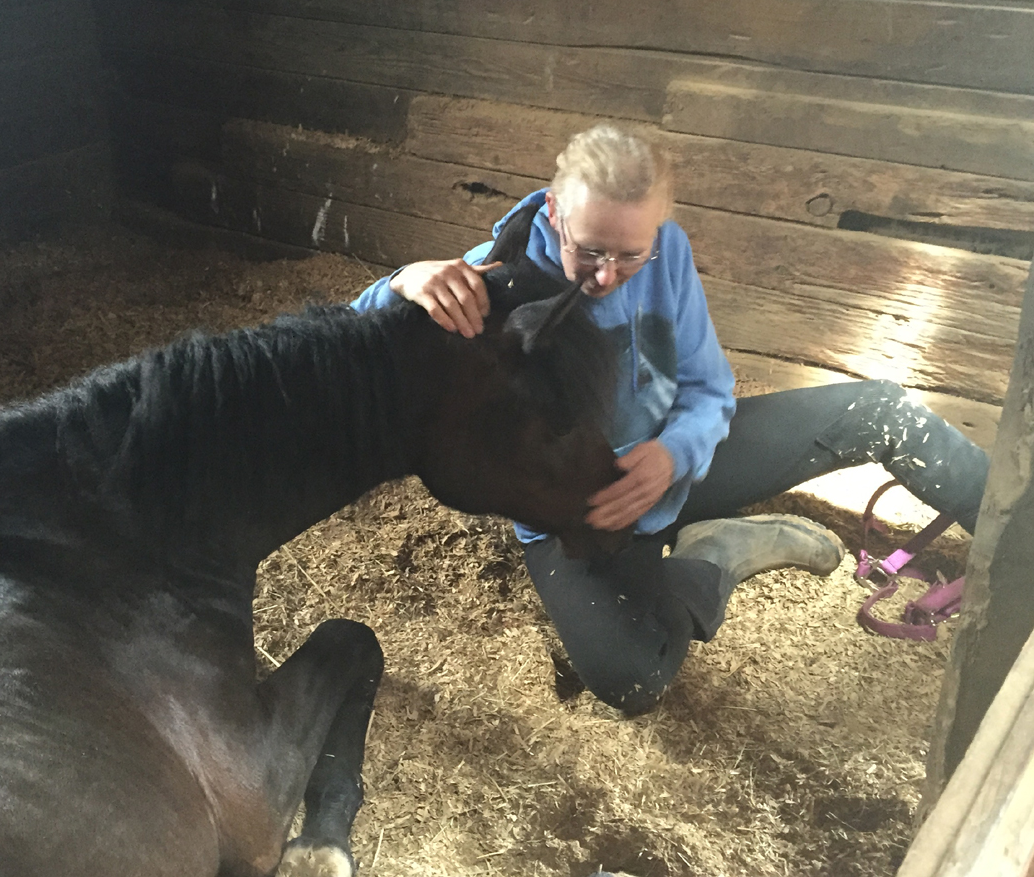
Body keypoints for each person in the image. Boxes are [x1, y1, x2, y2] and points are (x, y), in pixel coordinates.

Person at [352, 124, 991, 716]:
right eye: (590, 251)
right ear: (553, 212)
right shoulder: (498, 276)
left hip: (675, 465)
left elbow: (710, 388)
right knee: (630, 676)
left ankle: (1017, 545)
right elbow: (348, 340)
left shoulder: (668, 254)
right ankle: (718, 553)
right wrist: (401, 283)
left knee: (878, 411)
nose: (607, 276)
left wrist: (675, 453)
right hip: (580, 509)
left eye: (631, 254)